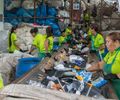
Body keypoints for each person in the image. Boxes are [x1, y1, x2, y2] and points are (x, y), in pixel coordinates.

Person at [87, 32, 120, 99]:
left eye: (108, 42)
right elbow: (99, 65)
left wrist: (105, 68)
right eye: (106, 42)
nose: (106, 44)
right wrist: (86, 70)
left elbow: (114, 70)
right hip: (114, 87)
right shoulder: (110, 53)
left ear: (116, 42)